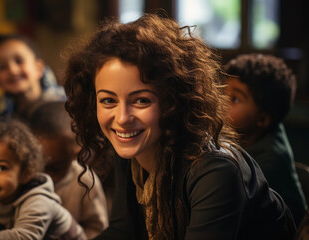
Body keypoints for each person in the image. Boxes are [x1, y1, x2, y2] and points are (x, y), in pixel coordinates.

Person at [62, 13, 296, 239]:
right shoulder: (133, 145)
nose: (122, 118)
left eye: (141, 100)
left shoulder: (216, 171)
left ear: (173, 101)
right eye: (108, 100)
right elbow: (123, 232)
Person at [223, 53, 306, 225]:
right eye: (223, 92)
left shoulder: (267, 163)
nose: (221, 102)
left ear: (263, 119)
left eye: (235, 99)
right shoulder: (255, 131)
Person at [29, 101, 109, 239]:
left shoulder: (85, 181)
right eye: (38, 166)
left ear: (75, 153)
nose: (46, 177)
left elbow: (97, 229)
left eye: (55, 168)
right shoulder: (22, 176)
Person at [0, 34, 66, 122]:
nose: (12, 70)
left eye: (19, 61)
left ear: (38, 68)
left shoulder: (65, 101)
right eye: (2, 67)